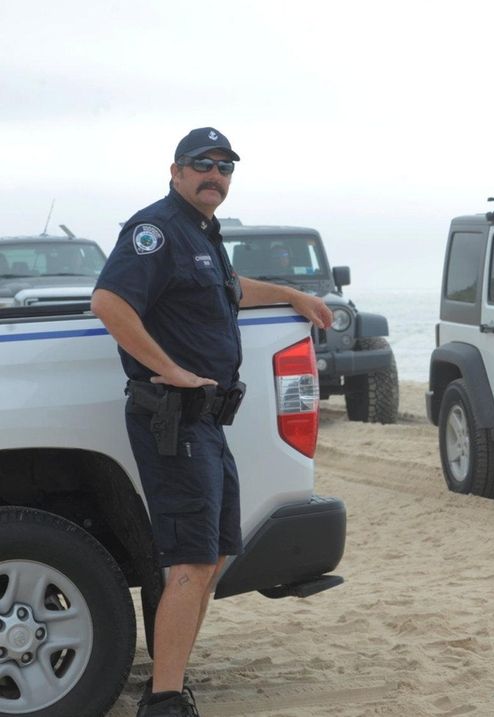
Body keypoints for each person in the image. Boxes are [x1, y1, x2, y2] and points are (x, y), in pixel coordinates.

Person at [91, 127, 332, 717]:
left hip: (206, 425)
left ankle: (172, 683)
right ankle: (165, 700)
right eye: (203, 164)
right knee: (191, 562)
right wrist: (171, 369)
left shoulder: (202, 234)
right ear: (175, 171)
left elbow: (227, 290)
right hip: (173, 420)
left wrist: (289, 294)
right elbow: (109, 302)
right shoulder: (156, 230)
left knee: (215, 555)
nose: (215, 175)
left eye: (225, 167)